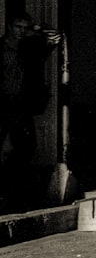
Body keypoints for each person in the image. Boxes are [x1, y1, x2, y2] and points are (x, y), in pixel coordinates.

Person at [0, 12, 60, 207]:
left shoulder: (31, 48)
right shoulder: (1, 47)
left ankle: (12, 191)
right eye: (18, 27)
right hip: (2, 105)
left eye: (25, 28)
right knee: (5, 148)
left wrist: (37, 28)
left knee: (26, 147)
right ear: (9, 26)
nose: (21, 31)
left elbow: (56, 37)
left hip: (21, 106)